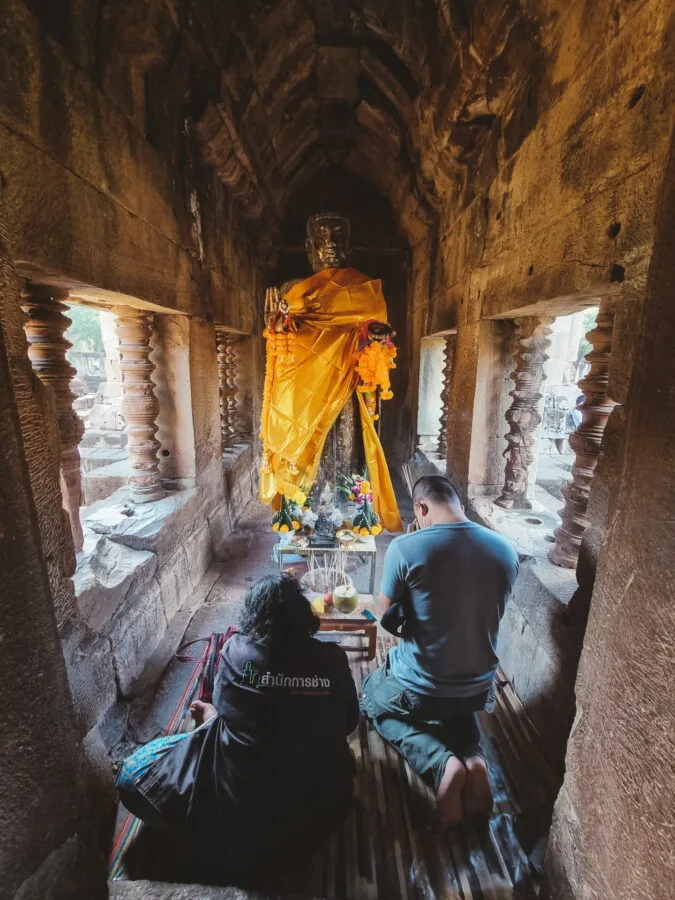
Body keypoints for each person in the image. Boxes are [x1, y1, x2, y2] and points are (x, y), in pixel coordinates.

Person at [116, 573, 359, 885]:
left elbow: (232, 705)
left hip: (235, 818)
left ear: (252, 617)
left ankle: (210, 729)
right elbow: (348, 722)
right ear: (304, 615)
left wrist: (220, 714)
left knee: (131, 773)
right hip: (310, 818)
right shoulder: (332, 659)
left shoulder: (234, 652)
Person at [360, 475, 519, 828]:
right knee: (458, 710)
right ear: (459, 503)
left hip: (421, 686)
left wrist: (415, 538)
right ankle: (475, 761)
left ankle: (441, 763)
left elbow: (383, 608)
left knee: (371, 698)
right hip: (478, 687)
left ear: (420, 508)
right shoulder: (505, 549)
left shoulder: (407, 547)